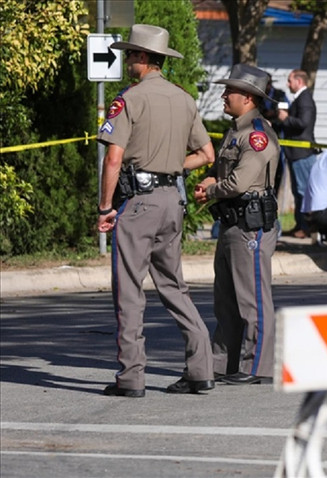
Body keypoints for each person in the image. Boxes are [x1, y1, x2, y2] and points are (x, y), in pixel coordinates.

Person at [95, 24, 216, 397]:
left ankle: (131, 377)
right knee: (174, 287)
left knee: (129, 290)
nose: (127, 60)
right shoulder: (184, 99)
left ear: (143, 59)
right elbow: (207, 155)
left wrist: (104, 207)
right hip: (171, 202)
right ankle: (201, 369)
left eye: (130, 54)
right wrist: (169, 166)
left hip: (138, 204)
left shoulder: (129, 100)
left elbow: (113, 159)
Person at [193, 64, 280, 385]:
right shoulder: (236, 130)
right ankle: (223, 362)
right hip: (232, 223)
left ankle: (256, 365)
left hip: (250, 225)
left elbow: (239, 183)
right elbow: (224, 172)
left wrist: (211, 190)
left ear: (247, 97)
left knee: (252, 299)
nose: (224, 95)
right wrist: (210, 180)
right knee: (225, 299)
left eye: (229, 91)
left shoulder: (256, 134)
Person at [277, 69, 318, 239]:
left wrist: (285, 119)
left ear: (299, 82)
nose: (287, 84)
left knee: (303, 192)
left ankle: (307, 228)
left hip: (302, 154)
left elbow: (303, 122)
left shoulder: (305, 99)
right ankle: (299, 225)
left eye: (290, 80)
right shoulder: (300, 99)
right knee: (297, 191)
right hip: (295, 154)